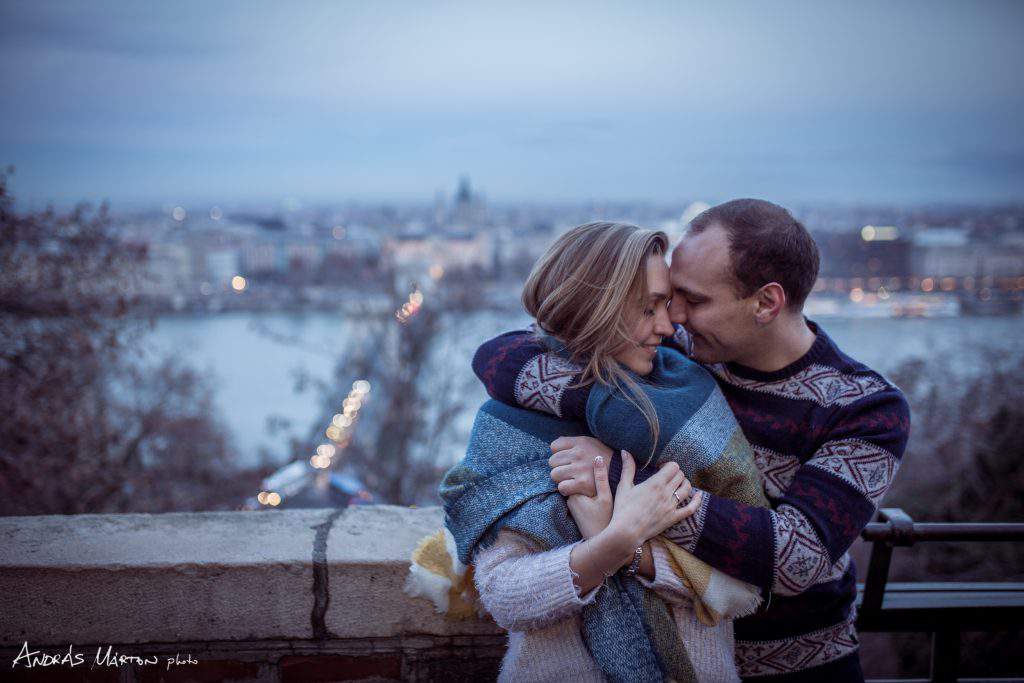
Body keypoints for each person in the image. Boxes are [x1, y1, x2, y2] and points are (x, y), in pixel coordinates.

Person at [473, 199, 912, 682]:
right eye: (667, 298)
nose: (673, 316)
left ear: (767, 303)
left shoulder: (865, 408)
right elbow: (503, 353)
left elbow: (794, 557)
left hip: (800, 668)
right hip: (677, 656)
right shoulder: (683, 355)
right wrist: (608, 401)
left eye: (694, 300)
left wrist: (623, 478)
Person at [441, 221, 769, 683]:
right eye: (648, 308)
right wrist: (614, 542)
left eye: (667, 303)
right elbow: (505, 595)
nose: (668, 323)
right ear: (594, 308)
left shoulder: (687, 401)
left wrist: (628, 545)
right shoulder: (510, 424)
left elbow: (739, 591)